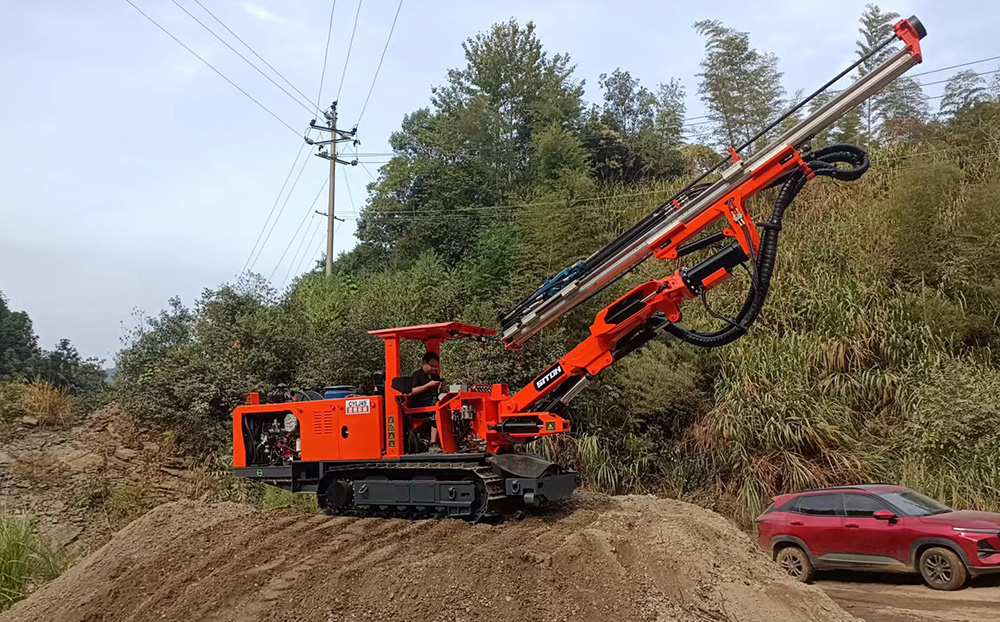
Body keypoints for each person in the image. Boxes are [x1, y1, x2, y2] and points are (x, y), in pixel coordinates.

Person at [410, 351, 444, 451]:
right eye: (432, 366)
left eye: (435, 367)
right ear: (425, 363)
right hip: (420, 405)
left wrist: (440, 388)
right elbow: (411, 391)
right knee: (436, 413)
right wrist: (428, 386)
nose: (433, 369)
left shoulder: (434, 376)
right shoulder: (416, 375)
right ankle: (433, 444)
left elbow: (436, 393)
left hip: (433, 402)